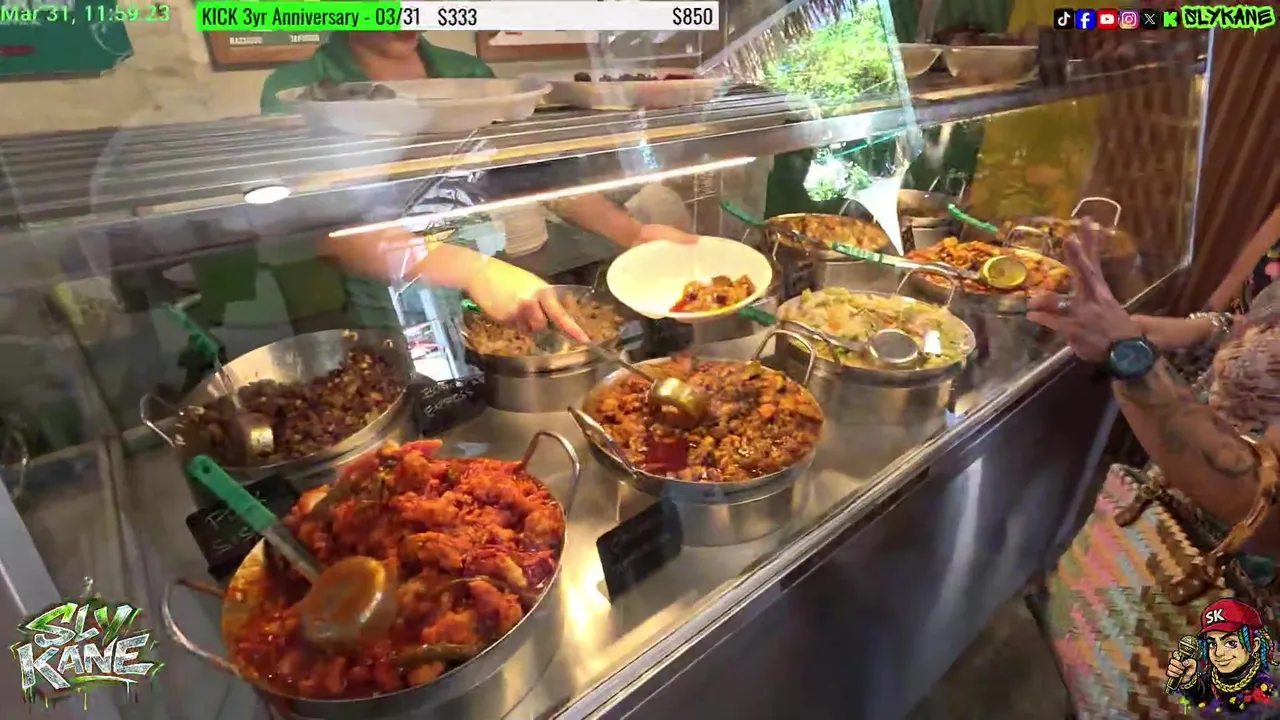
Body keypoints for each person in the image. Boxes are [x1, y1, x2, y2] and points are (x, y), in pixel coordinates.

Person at [192, 31, 696, 343]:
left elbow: (533, 176)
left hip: (496, 294)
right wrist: (471, 270)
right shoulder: (300, 87)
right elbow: (326, 231)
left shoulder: (469, 74)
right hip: (396, 307)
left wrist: (631, 233)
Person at [1166, 598, 1277, 715]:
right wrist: (1188, 681)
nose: (1218, 653)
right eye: (1212, 644)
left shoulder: (1269, 685)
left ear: (1254, 645)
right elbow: (1199, 699)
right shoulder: (1210, 680)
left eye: (1230, 643)